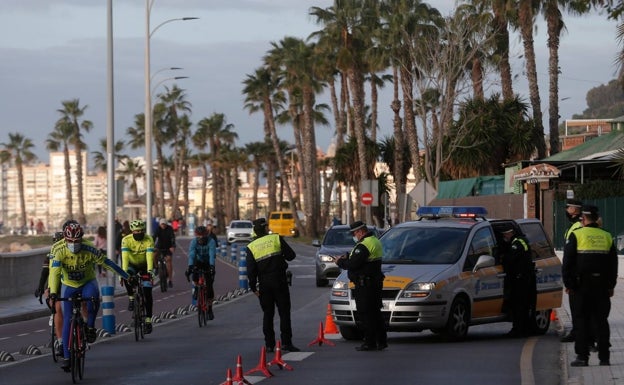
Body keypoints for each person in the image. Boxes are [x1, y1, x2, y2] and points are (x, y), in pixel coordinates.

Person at [48, 222, 128, 371]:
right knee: (66, 320)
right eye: (70, 241)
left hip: (87, 282)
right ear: (65, 239)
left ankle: (90, 327)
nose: (73, 244)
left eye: (77, 241)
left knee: (92, 300)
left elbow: (107, 263)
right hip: (69, 285)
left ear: (81, 239)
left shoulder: (89, 248)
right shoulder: (58, 249)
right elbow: (54, 273)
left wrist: (124, 275)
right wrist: (53, 293)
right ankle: (66, 357)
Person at [563, 205, 618, 367]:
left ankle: (582, 357)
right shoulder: (607, 236)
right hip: (601, 286)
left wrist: (569, 284)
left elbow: (567, 263)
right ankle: (604, 358)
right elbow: (613, 265)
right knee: (601, 321)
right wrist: (611, 286)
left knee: (581, 321)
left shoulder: (576, 235)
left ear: (583, 219)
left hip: (581, 287)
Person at [246, 217, 300, 353]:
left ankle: (269, 344)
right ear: (265, 228)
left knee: (268, 314)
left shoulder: (251, 247)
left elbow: (251, 271)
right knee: (284, 313)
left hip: (264, 283)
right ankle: (286, 343)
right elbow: (291, 256)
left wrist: (253, 288)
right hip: (279, 280)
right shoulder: (276, 239)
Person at [334, 221, 387, 351]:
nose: (354, 236)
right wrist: (349, 256)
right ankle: (381, 341)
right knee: (375, 313)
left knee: (366, 314)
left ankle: (369, 342)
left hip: (365, 285)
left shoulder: (364, 245)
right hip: (374, 283)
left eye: (354, 233)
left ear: (360, 231)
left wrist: (340, 261)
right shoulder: (374, 240)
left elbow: (353, 264)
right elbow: (362, 259)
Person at [500, 224, 536, 338]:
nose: (504, 237)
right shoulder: (522, 240)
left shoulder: (517, 243)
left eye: (505, 234)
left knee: (518, 305)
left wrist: (502, 258)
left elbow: (511, 259)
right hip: (525, 276)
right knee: (524, 305)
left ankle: (518, 329)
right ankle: (525, 329)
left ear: (510, 233)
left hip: (520, 278)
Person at [121, 219, 156, 334]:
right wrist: (123, 273)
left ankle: (148, 320)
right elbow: (125, 258)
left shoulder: (148, 239)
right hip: (132, 265)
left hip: (145, 265)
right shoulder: (126, 240)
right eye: (136, 231)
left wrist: (150, 271)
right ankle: (131, 298)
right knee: (127, 277)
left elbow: (150, 256)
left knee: (147, 293)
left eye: (141, 231)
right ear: (132, 231)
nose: (138, 233)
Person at [34, 230, 66, 358]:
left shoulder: (69, 252)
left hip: (68, 282)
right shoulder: (50, 255)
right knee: (54, 302)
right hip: (55, 284)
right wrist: (40, 287)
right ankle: (54, 315)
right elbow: (44, 273)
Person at [561, 199, 583, 343]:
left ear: (575, 210)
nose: (566, 211)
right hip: (578, 273)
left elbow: (571, 255)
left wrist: (568, 279)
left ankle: (579, 334)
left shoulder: (576, 227)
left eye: (568, 208)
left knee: (578, 308)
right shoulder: (574, 226)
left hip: (576, 274)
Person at [185, 225, 217, 320]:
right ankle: (196, 288)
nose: (201, 237)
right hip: (197, 261)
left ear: (206, 235)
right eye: (199, 235)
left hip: (208, 263)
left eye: (203, 235)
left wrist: (212, 267)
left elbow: (212, 255)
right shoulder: (193, 242)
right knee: (194, 275)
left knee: (210, 287)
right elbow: (191, 254)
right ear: (196, 235)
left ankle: (210, 309)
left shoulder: (211, 242)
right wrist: (190, 266)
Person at [153, 218, 176, 288]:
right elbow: (154, 237)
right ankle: (156, 267)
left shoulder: (170, 229)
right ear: (160, 224)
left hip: (168, 247)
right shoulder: (158, 229)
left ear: (166, 224)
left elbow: (172, 238)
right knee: (154, 255)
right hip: (159, 246)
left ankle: (170, 280)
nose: (163, 225)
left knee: (168, 260)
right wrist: (151, 245)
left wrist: (172, 246)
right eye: (161, 224)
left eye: (164, 224)